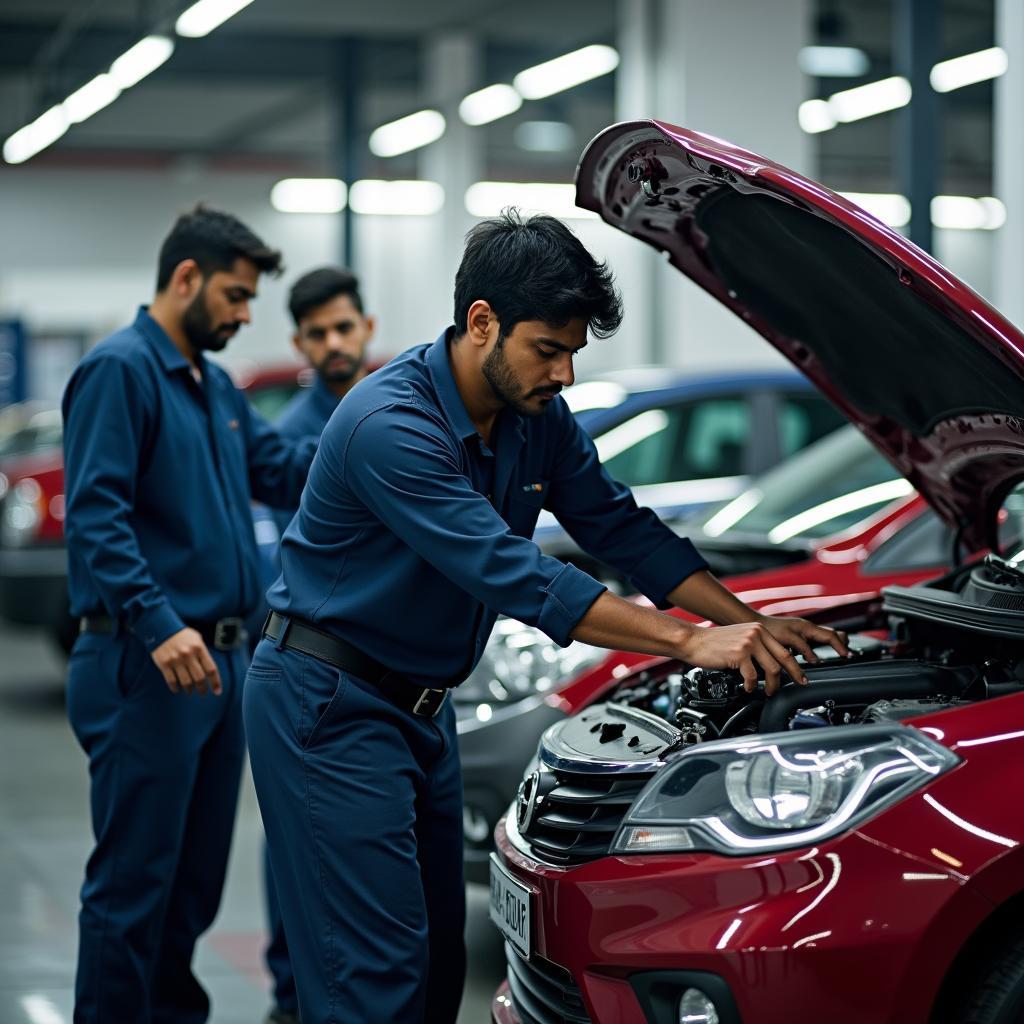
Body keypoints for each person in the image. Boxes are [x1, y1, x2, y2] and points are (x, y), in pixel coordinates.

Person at [243, 210, 847, 1024]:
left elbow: (622, 528)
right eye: (548, 349)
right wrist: (690, 640)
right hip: (328, 706)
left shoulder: (535, 420)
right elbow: (512, 573)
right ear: (482, 322)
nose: (562, 373)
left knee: (431, 967)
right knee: (369, 977)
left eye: (573, 353)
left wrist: (750, 626)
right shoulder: (389, 425)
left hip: (420, 707)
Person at [62, 204, 318, 1024]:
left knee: (191, 891)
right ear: (185, 278)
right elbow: (96, 513)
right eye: (237, 296)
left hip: (221, 668)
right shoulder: (121, 371)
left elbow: (282, 472)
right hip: (151, 664)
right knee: (134, 888)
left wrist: (386, 435)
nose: (245, 316)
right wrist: (156, 619)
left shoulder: (213, 388)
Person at [260, 267, 376, 1024]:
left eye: (345, 327)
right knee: (295, 834)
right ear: (300, 343)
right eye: (319, 334)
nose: (335, 344)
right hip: (322, 660)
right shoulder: (294, 440)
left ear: (365, 327)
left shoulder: (399, 408)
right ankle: (287, 988)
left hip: (392, 664)